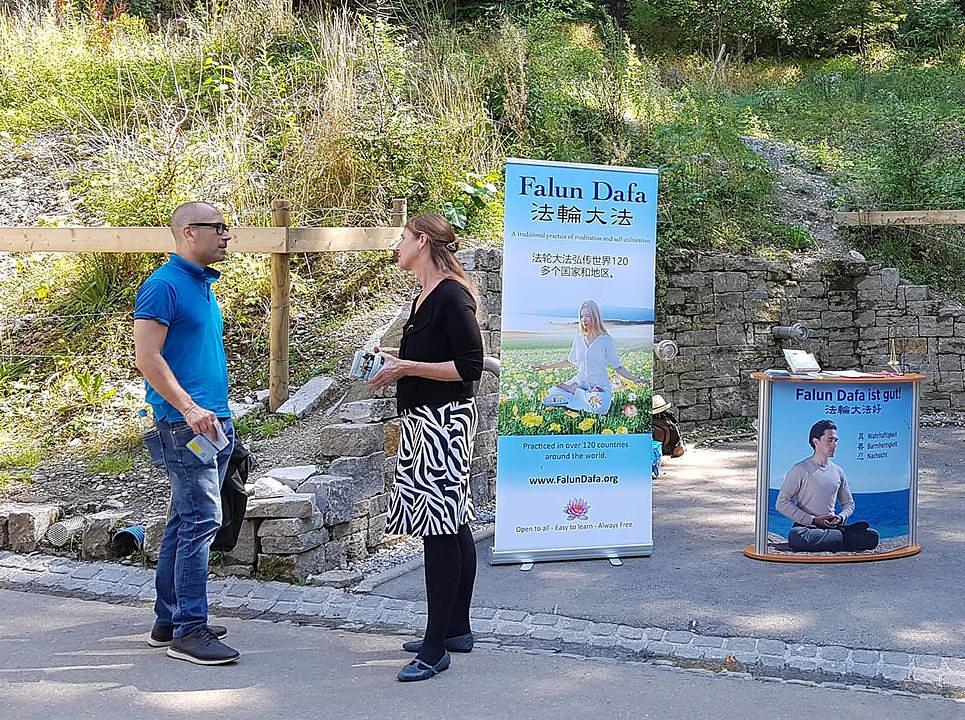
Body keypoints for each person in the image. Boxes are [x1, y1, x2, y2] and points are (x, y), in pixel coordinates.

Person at [368, 213, 483, 682]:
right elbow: (430, 359)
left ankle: (435, 648)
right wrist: (396, 367)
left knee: (439, 530)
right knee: (453, 524)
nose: (396, 246)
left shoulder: (452, 296)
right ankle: (456, 628)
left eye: (402, 238)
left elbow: (469, 366)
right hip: (426, 420)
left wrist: (406, 368)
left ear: (422, 241)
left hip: (444, 422)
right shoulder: (424, 295)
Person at [133, 202, 239, 665]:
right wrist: (190, 408)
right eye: (218, 228)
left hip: (211, 421)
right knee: (202, 521)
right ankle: (190, 632)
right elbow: (148, 358)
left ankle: (169, 619)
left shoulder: (201, 285)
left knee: (185, 519)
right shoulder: (162, 286)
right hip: (183, 424)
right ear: (189, 233)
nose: (227, 235)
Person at [776, 419, 879, 552]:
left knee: (873, 536)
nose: (834, 445)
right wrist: (813, 520)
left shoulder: (838, 471)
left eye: (835, 441)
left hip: (832, 526)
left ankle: (839, 537)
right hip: (807, 527)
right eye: (829, 440)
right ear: (816, 441)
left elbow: (849, 504)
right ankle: (846, 537)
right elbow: (781, 503)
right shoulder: (800, 469)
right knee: (797, 537)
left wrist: (841, 517)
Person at [535, 299, 643, 415]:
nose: (584, 320)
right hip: (580, 382)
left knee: (599, 407)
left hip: (599, 387)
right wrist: (546, 367)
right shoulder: (579, 338)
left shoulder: (606, 340)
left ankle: (574, 392)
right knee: (548, 396)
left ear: (595, 317)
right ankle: (578, 393)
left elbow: (618, 367)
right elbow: (569, 361)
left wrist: (634, 378)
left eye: (588, 316)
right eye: (582, 316)